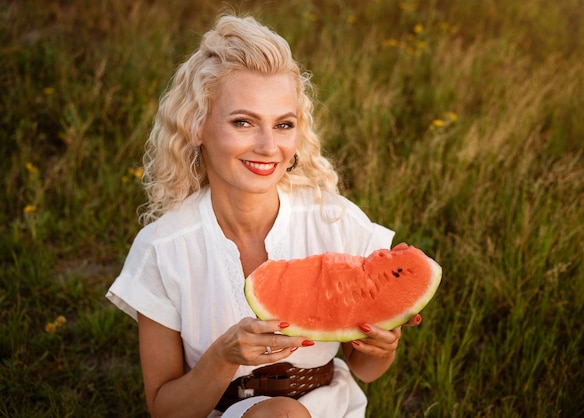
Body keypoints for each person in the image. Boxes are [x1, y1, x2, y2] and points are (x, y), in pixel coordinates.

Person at [106, 14, 422, 418]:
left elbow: (366, 369)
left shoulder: (335, 222)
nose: (268, 146)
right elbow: (165, 409)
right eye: (243, 122)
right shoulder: (162, 250)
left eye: (283, 124)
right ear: (197, 127)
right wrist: (223, 356)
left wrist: (383, 346)